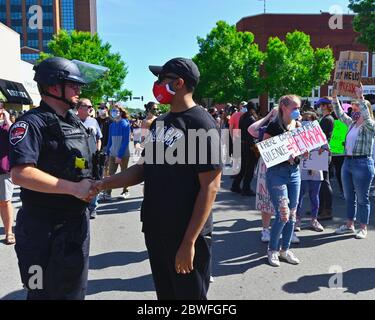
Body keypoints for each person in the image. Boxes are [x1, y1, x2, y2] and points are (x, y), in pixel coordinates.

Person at [90, 58, 222, 300]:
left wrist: (188, 243)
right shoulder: (161, 122)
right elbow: (142, 169)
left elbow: (210, 188)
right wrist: (102, 184)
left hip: (184, 232)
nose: (156, 84)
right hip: (156, 228)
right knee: (166, 295)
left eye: (161, 80)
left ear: (179, 83)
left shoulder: (202, 124)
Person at [9, 57, 95, 300]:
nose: (79, 90)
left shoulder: (74, 121)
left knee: (73, 292)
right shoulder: (31, 123)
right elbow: (21, 173)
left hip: (74, 226)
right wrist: (74, 188)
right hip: (41, 231)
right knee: (40, 293)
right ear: (54, 87)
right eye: (73, 84)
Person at [263, 95, 302, 267]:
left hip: (294, 173)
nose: (297, 111)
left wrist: (304, 151)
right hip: (277, 173)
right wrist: (286, 155)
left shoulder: (298, 125)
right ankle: (272, 250)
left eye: (298, 107)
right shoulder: (273, 126)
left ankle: (284, 250)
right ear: (284, 108)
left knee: (292, 213)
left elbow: (301, 148)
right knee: (283, 213)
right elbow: (266, 152)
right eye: (294, 108)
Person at [333, 85, 375, 239]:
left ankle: (363, 227)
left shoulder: (370, 126)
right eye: (354, 108)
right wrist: (335, 97)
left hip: (362, 164)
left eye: (357, 108)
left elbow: (369, 119)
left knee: (363, 198)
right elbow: (340, 114)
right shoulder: (352, 123)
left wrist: (361, 97)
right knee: (349, 196)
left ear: (365, 110)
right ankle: (349, 224)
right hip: (348, 163)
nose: (354, 110)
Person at [296, 111, 326, 233]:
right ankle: (297, 219)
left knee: (314, 195)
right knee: (299, 196)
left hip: (316, 167)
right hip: (302, 168)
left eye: (309, 119)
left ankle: (314, 219)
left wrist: (322, 149)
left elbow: (327, 148)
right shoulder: (297, 134)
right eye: (304, 119)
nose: (306, 122)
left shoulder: (320, 134)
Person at [77, 99, 103, 219]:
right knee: (80, 178)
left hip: (93, 157)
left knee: (95, 179)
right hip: (79, 158)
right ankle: (81, 204)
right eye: (87, 106)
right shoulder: (73, 121)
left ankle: (93, 207)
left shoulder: (93, 122)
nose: (90, 108)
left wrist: (97, 151)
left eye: (91, 106)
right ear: (79, 107)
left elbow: (99, 138)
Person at [104, 104, 131, 200]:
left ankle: (125, 191)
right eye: (113, 111)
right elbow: (109, 141)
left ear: (121, 112)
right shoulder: (112, 125)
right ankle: (107, 194)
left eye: (116, 111)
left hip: (123, 154)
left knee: (124, 174)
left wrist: (119, 155)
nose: (114, 113)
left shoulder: (125, 123)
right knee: (111, 174)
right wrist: (107, 153)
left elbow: (125, 141)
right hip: (112, 153)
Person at [231, 102, 258, 196]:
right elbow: (253, 133)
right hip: (250, 145)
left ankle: (235, 185)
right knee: (250, 168)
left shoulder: (243, 117)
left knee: (242, 167)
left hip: (242, 144)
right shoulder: (252, 118)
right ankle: (246, 188)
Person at [316, 97, 335, 220]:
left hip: (323, 152)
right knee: (321, 181)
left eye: (323, 105)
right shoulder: (325, 118)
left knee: (324, 181)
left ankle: (327, 210)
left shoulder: (327, 119)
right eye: (320, 105)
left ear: (328, 106)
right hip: (322, 152)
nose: (320, 107)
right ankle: (321, 208)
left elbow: (322, 137)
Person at [0, 102, 15, 245]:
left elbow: (15, 136)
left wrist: (8, 119)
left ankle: (9, 232)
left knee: (5, 201)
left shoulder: (6, 125)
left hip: (2, 169)